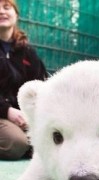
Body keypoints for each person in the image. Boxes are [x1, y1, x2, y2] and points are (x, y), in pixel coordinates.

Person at [0, 0, 48, 160]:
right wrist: (7, 110)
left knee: (46, 140)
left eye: (6, 7)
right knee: (16, 143)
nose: (1, 12)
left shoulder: (27, 52)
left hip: (20, 116)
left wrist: (31, 114)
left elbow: (40, 85)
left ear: (16, 14)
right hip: (3, 114)